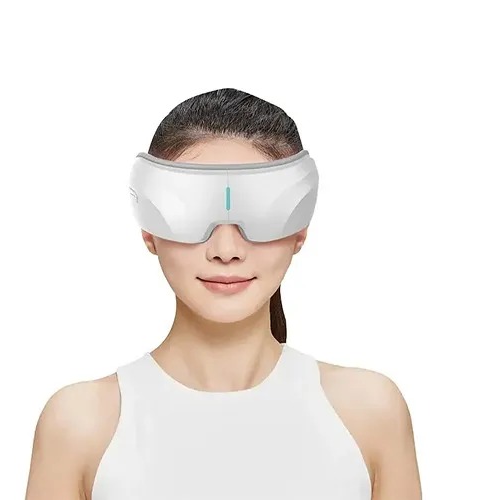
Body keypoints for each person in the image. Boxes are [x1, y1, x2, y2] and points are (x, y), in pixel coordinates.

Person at [25, 88, 422, 500]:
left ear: (300, 229)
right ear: (149, 230)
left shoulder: (370, 414)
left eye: (263, 212)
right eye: (190, 211)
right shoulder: (80, 425)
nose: (226, 250)